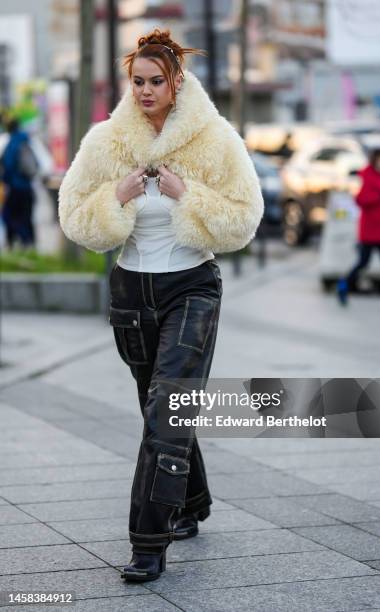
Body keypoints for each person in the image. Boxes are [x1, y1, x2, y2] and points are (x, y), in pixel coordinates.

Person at [58, 29, 264, 583]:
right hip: (131, 294)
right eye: (137, 82)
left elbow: (244, 218)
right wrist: (116, 197)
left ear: (177, 83)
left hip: (191, 286)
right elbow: (74, 216)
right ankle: (191, 501)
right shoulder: (106, 142)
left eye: (156, 81)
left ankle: (148, 542)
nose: (145, 91)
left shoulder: (215, 140)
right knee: (162, 409)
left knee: (166, 408)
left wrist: (185, 194)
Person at [337, 148, 380, 307]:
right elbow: (361, 200)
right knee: (363, 262)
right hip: (371, 231)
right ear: (379, 160)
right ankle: (344, 284)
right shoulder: (369, 177)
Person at [0, 118, 39, 248]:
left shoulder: (12, 144)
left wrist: (5, 179)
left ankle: (14, 242)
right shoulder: (26, 141)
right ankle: (29, 243)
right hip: (28, 187)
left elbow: (8, 165)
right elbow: (36, 164)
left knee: (9, 215)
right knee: (27, 216)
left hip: (15, 187)